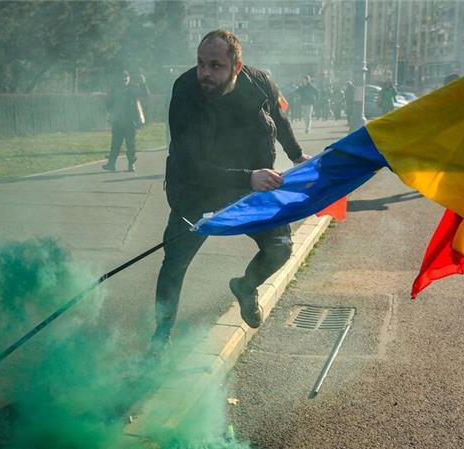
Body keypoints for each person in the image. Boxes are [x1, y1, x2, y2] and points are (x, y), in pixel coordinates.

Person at [154, 29, 310, 352]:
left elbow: (279, 119)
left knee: (280, 248)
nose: (205, 73)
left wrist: (297, 155)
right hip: (196, 190)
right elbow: (189, 165)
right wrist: (249, 178)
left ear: (237, 67)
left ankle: (246, 286)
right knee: (174, 264)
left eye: (216, 66)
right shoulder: (185, 91)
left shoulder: (261, 83)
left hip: (249, 187)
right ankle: (161, 336)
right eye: (201, 64)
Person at [103, 70, 149, 172]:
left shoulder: (133, 88)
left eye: (126, 77)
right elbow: (108, 103)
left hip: (130, 122)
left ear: (129, 78)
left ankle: (131, 164)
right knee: (115, 144)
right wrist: (111, 112)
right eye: (122, 77)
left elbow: (145, 94)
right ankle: (111, 164)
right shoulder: (114, 89)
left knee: (131, 144)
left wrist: (143, 84)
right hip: (118, 121)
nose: (124, 79)